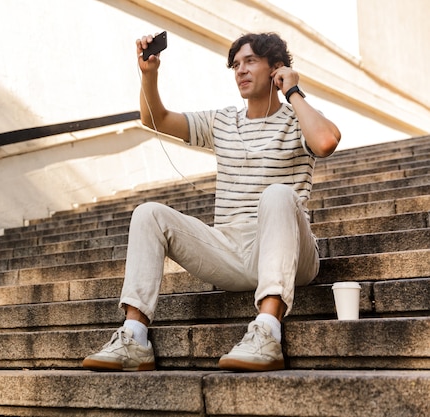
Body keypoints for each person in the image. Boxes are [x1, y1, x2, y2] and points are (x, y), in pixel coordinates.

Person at [82, 32, 341, 372]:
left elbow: (325, 142)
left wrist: (293, 91)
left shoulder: (298, 119)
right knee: (148, 214)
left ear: (276, 68)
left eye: (250, 61)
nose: (241, 71)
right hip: (230, 251)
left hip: (290, 254)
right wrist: (149, 73)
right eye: (236, 64)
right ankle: (133, 336)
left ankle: (266, 332)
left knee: (277, 193)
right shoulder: (222, 122)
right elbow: (154, 119)